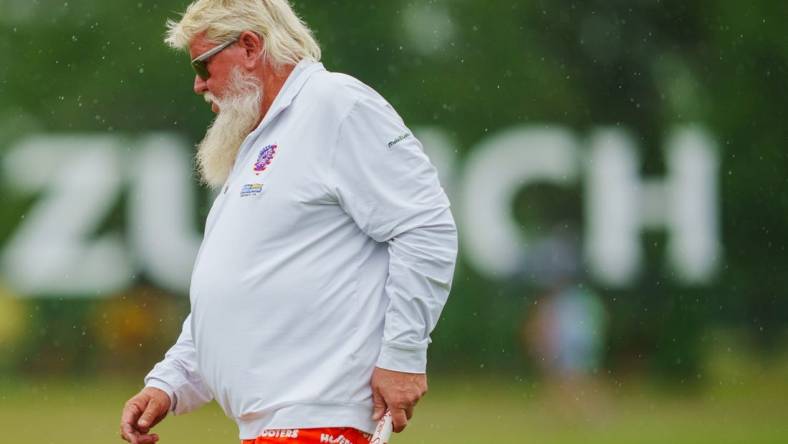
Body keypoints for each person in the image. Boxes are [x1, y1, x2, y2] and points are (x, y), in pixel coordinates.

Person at [119, 1, 458, 443]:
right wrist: (169, 382)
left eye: (204, 64)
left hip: (321, 417)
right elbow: (236, 291)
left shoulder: (335, 104)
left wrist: (403, 356)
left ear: (250, 46)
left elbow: (425, 227)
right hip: (275, 424)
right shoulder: (261, 137)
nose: (199, 83)